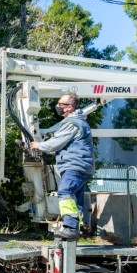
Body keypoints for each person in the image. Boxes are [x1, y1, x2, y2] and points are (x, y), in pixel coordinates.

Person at [30, 93, 94, 240]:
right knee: (75, 199)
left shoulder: (72, 123)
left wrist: (39, 145)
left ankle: (70, 227)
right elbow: (59, 144)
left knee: (65, 191)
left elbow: (56, 143)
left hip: (75, 166)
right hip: (81, 166)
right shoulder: (76, 122)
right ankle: (73, 231)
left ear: (70, 107)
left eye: (61, 104)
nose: (58, 106)